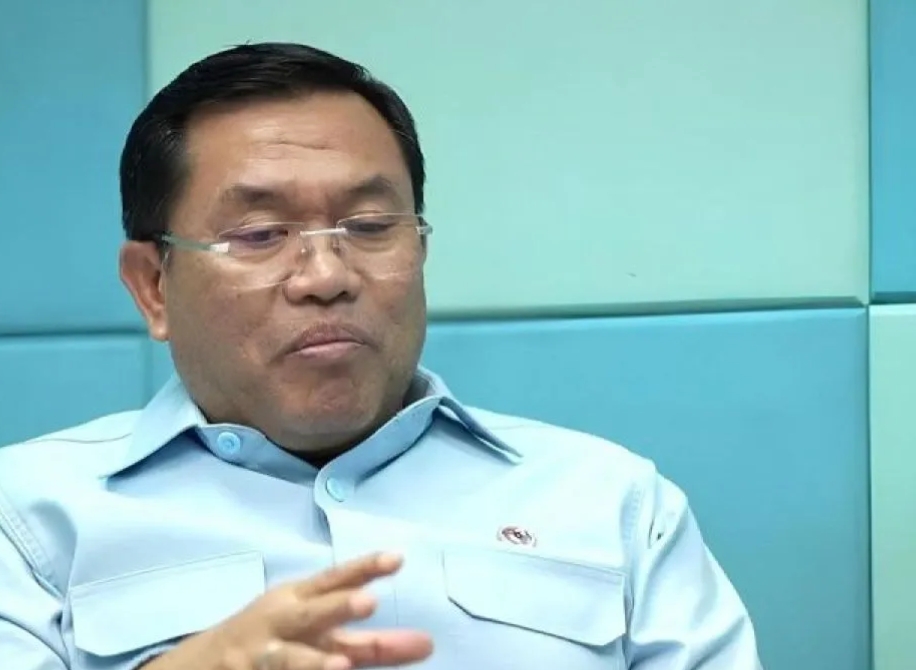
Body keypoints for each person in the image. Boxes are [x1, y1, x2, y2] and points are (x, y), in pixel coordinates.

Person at [0, 42, 763, 670]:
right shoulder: (26, 518)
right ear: (152, 286)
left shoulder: (611, 502)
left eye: (368, 226)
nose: (326, 277)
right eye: (260, 235)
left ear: (420, 249)